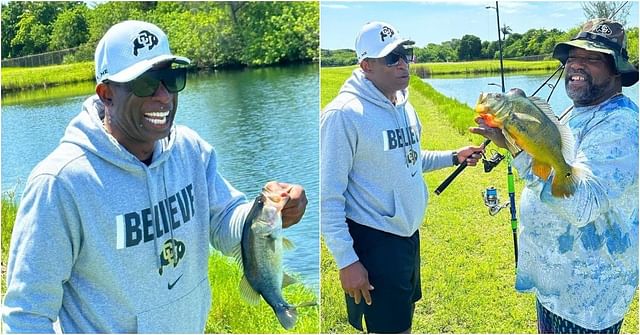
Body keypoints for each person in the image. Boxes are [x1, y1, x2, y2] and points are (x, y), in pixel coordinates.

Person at [2, 20, 307, 333]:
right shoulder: (60, 183)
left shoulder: (190, 150)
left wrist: (265, 216)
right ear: (106, 94)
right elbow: (26, 315)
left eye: (170, 77)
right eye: (145, 83)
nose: (163, 96)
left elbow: (225, 221)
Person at [471, 18, 638, 333]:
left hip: (588, 300)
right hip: (556, 285)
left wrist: (520, 154)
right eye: (572, 57)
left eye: (592, 58)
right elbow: (546, 154)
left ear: (616, 69)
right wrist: (514, 138)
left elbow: (582, 203)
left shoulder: (623, 126)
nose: (576, 64)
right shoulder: (576, 111)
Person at [321, 21, 483, 333]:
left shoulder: (404, 103)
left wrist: (454, 156)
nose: (403, 63)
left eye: (404, 53)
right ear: (366, 66)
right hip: (375, 240)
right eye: (391, 57)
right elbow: (329, 197)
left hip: (408, 235)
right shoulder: (343, 115)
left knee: (403, 322)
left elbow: (409, 158)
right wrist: (346, 261)